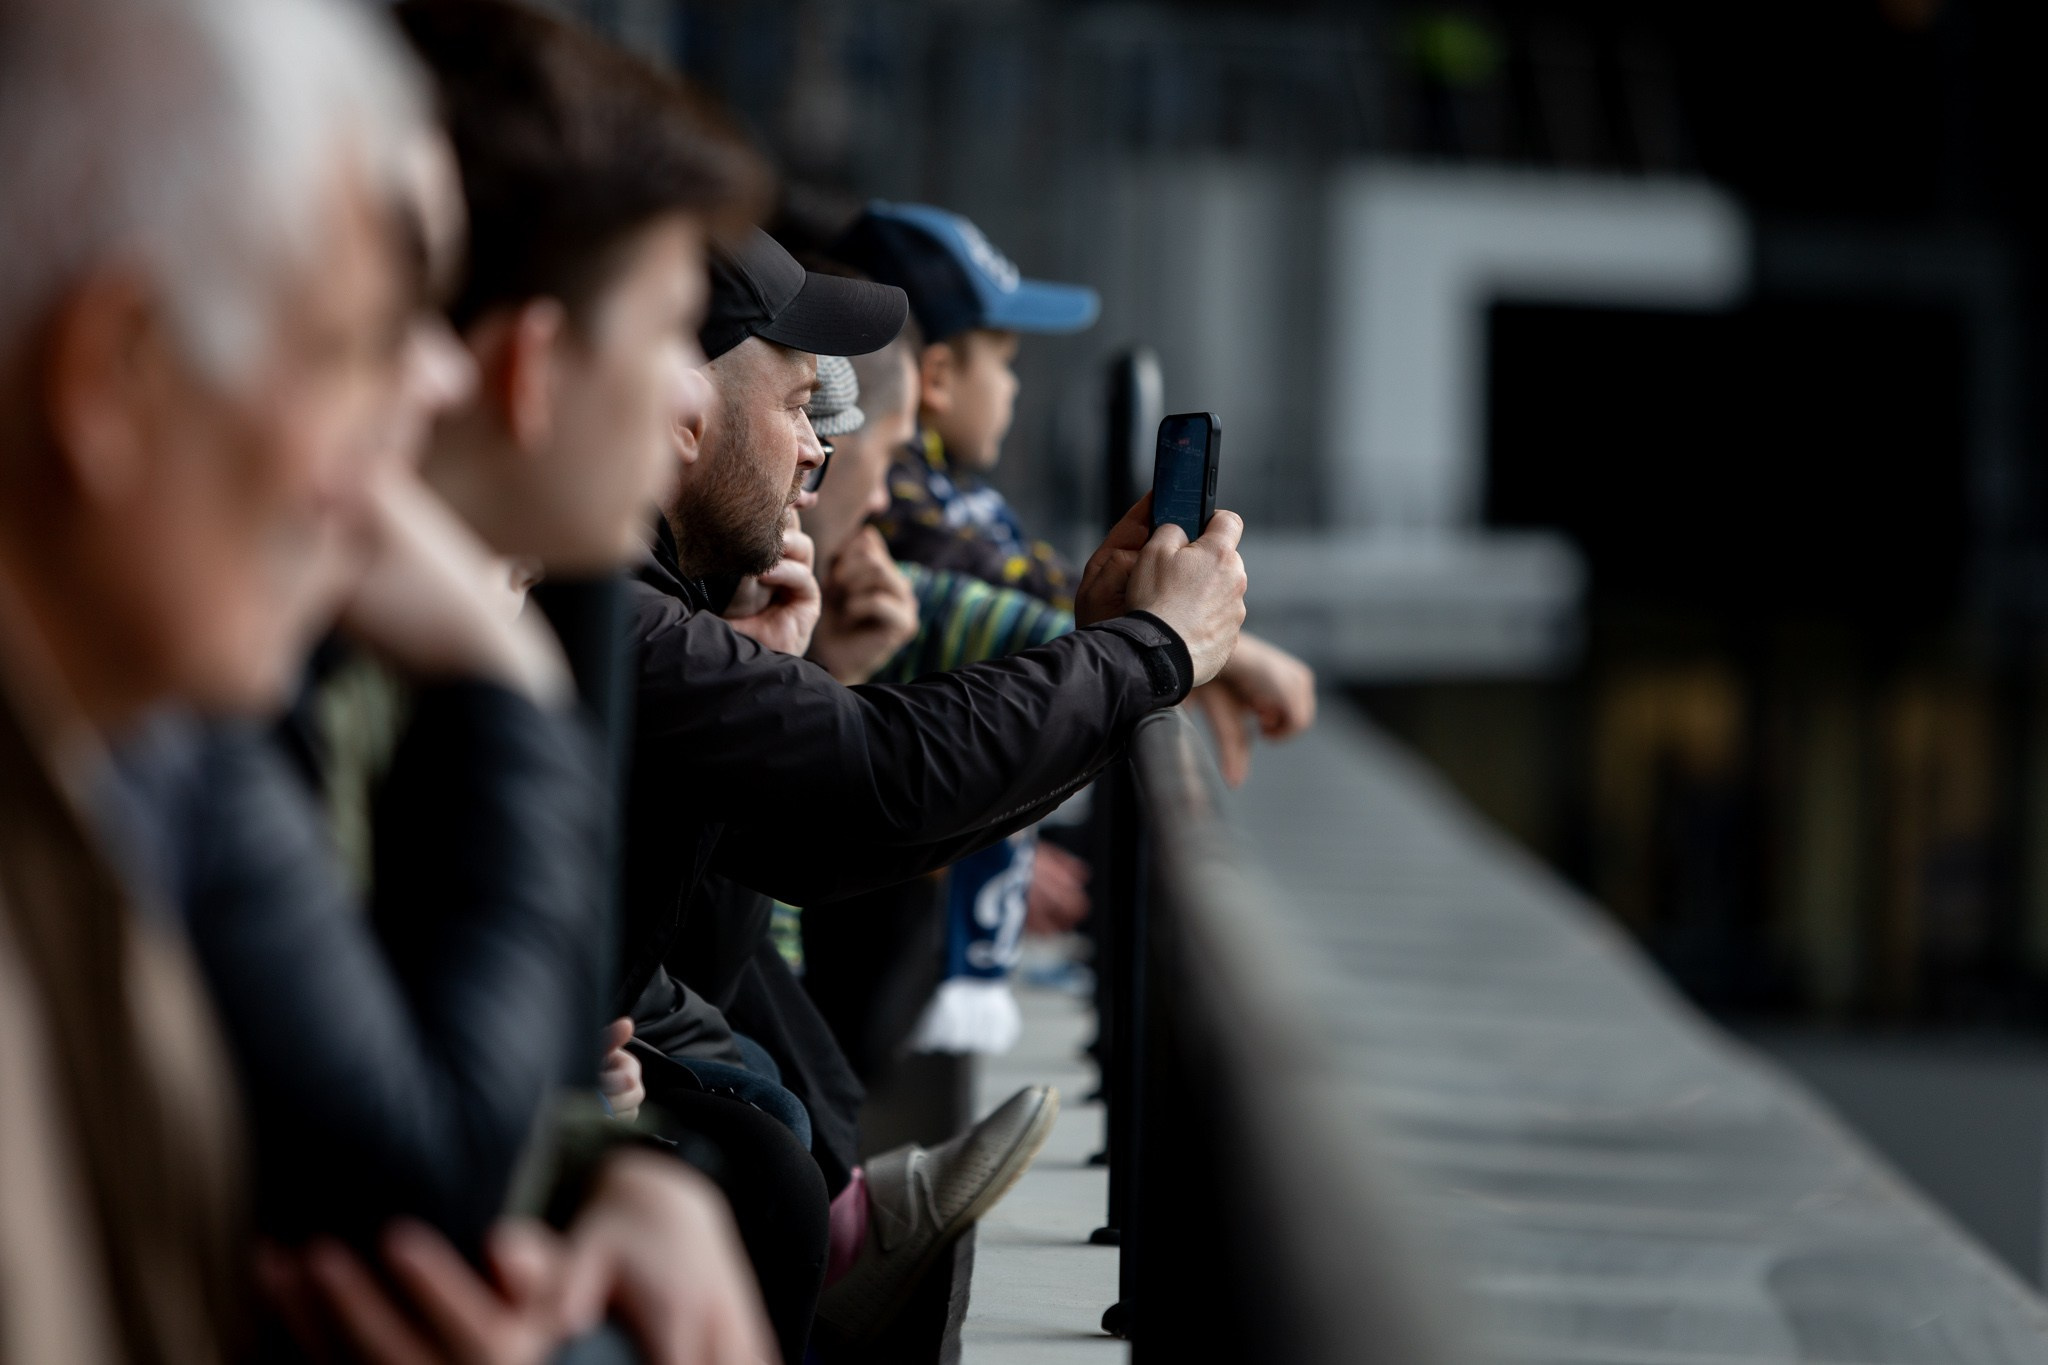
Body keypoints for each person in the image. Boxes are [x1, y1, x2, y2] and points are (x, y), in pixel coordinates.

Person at [2, 0, 774, 1360]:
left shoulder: (125, 763)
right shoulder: (183, 743)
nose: (428, 383)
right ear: (113, 377)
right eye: (355, 335)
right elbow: (414, 1175)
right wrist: (509, 696)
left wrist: (609, 1170)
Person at [624, 223, 1248, 1341]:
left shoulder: (644, 608)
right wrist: (1146, 654)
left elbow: (805, 850)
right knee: (759, 1163)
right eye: (798, 406)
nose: (818, 451)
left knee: (766, 1156)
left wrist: (1111, 663)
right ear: (681, 412)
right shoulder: (611, 613)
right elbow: (879, 774)